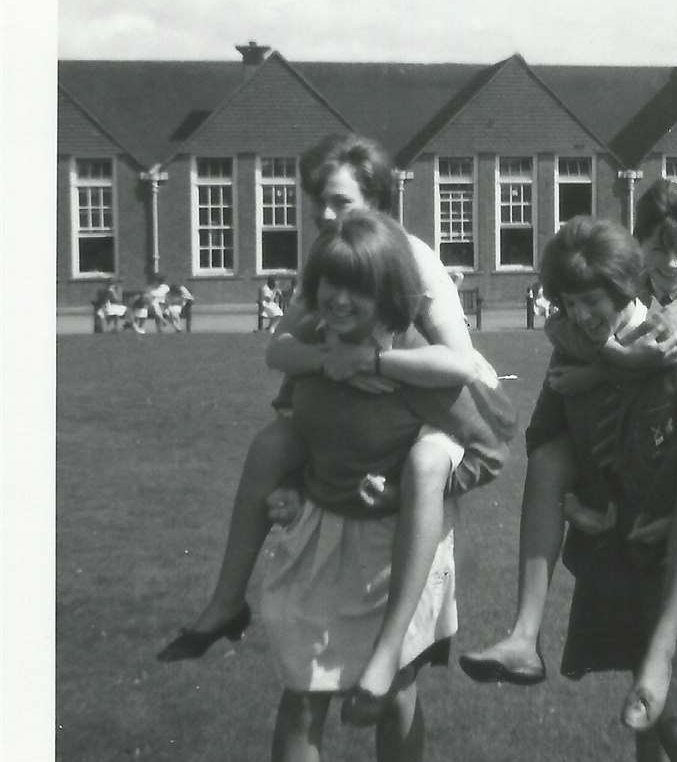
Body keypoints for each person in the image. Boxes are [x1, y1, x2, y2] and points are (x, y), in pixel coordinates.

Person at [157, 134, 514, 705]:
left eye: (341, 202)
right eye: (319, 200)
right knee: (272, 443)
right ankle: (226, 599)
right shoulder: (332, 255)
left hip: (438, 397)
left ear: (377, 200)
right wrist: (333, 359)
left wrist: (374, 360)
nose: (324, 214)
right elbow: (280, 348)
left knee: (423, 465)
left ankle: (393, 645)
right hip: (360, 388)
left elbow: (458, 363)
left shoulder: (412, 258)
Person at [465, 216, 677, 762]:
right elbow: (545, 440)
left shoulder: (675, 349)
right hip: (620, 554)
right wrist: (577, 497)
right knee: (649, 716)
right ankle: (522, 637)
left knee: (675, 717)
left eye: (592, 301)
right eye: (568, 302)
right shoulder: (573, 357)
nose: (581, 315)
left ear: (624, 289)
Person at [261, 209, 500, 762]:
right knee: (302, 692)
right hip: (320, 543)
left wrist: (404, 488)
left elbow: (489, 453)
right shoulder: (318, 346)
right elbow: (307, 430)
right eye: (330, 283)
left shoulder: (417, 363)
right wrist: (292, 489)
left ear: (388, 294)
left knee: (394, 693)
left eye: (358, 288)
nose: (340, 301)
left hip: (397, 555)